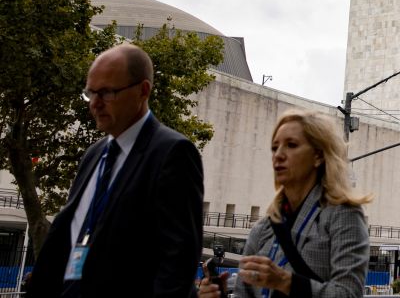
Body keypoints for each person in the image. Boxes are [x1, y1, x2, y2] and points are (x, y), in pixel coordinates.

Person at [27, 43, 203, 298]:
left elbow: (177, 263)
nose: (95, 104)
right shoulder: (93, 155)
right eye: (90, 93)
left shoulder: (173, 153)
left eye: (107, 93)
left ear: (143, 91)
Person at [199, 110, 371, 298]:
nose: (278, 155)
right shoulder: (262, 229)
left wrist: (284, 282)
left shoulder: (344, 215)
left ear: (318, 156)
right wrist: (219, 295)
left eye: (291, 145)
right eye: (274, 148)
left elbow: (349, 293)